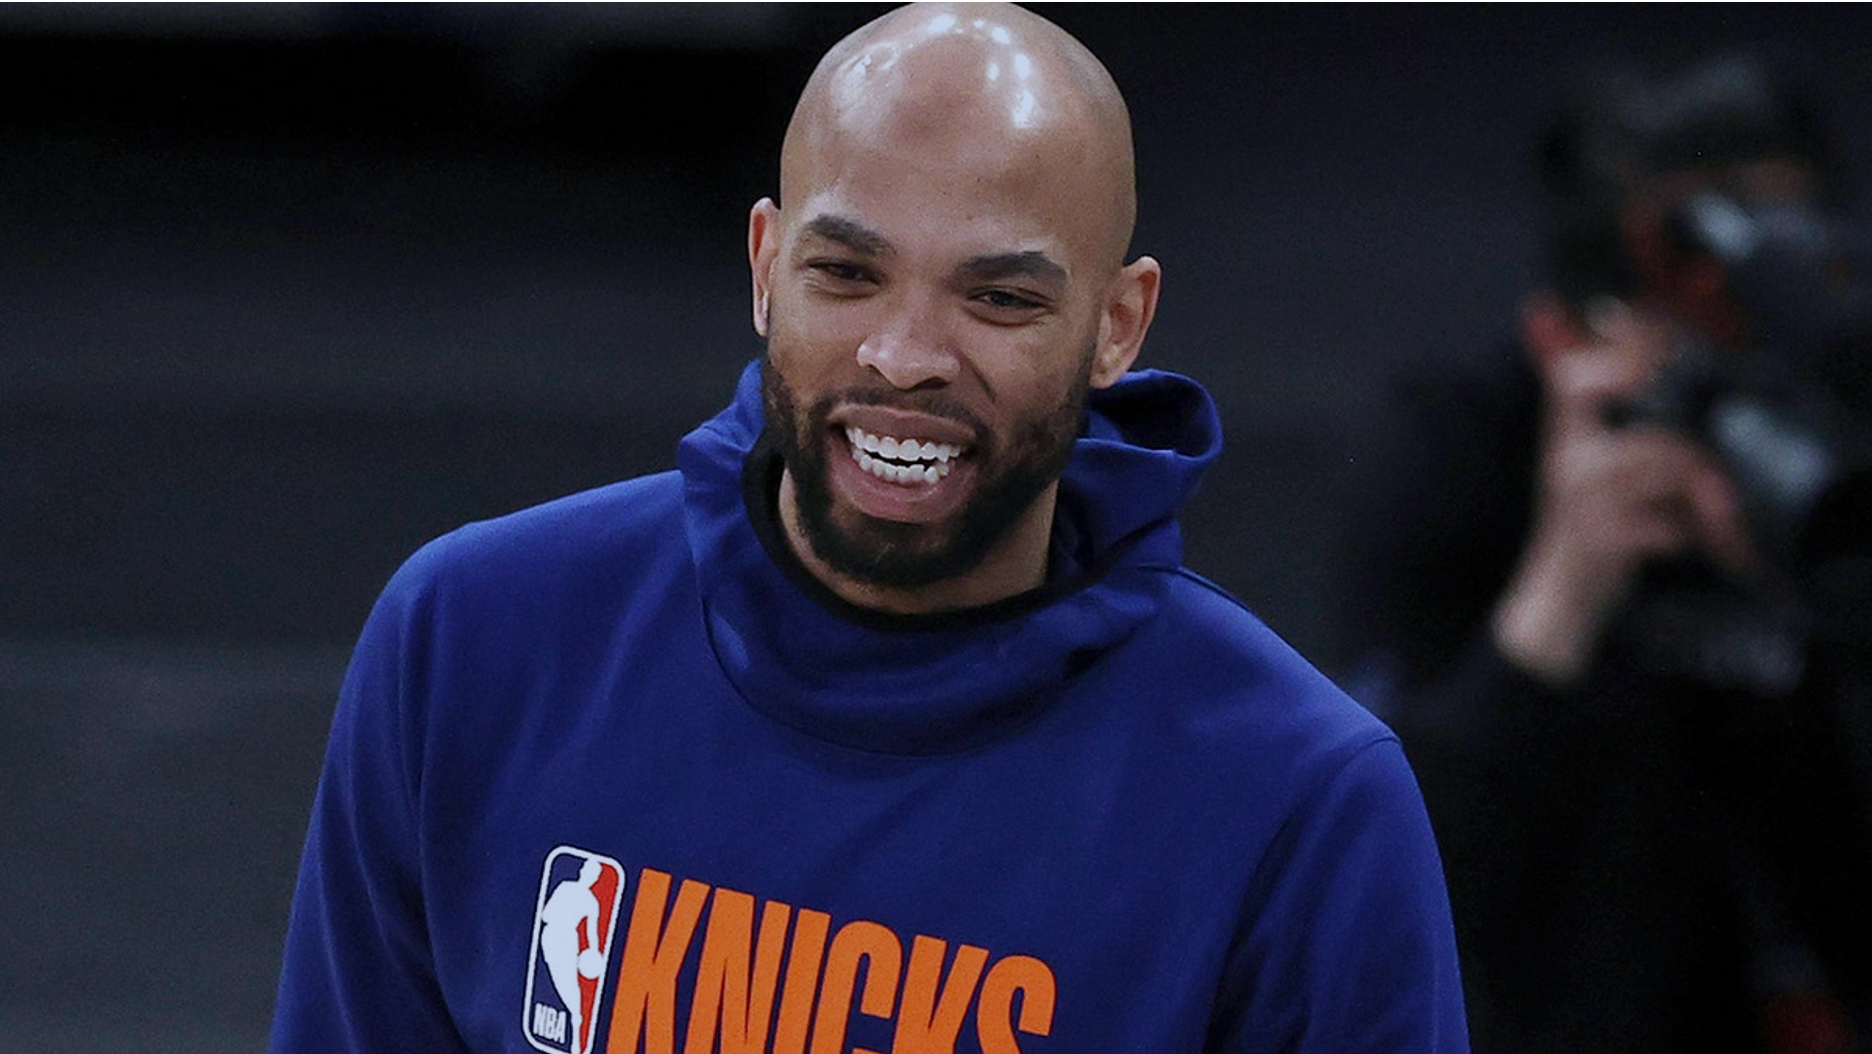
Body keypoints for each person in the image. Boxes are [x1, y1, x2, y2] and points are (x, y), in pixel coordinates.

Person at [268, 5, 1468, 1053]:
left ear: (1118, 324)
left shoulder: (1298, 803)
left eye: (999, 297)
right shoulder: (472, 643)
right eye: (847, 274)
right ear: (765, 267)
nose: (903, 356)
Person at [1329, 50, 1872, 1054]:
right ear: (1564, 330)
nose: (1726, 303)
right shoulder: (1463, 442)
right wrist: (1563, 588)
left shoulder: (1835, 432)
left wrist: (1815, 574)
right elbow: (1375, 868)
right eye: (1686, 262)